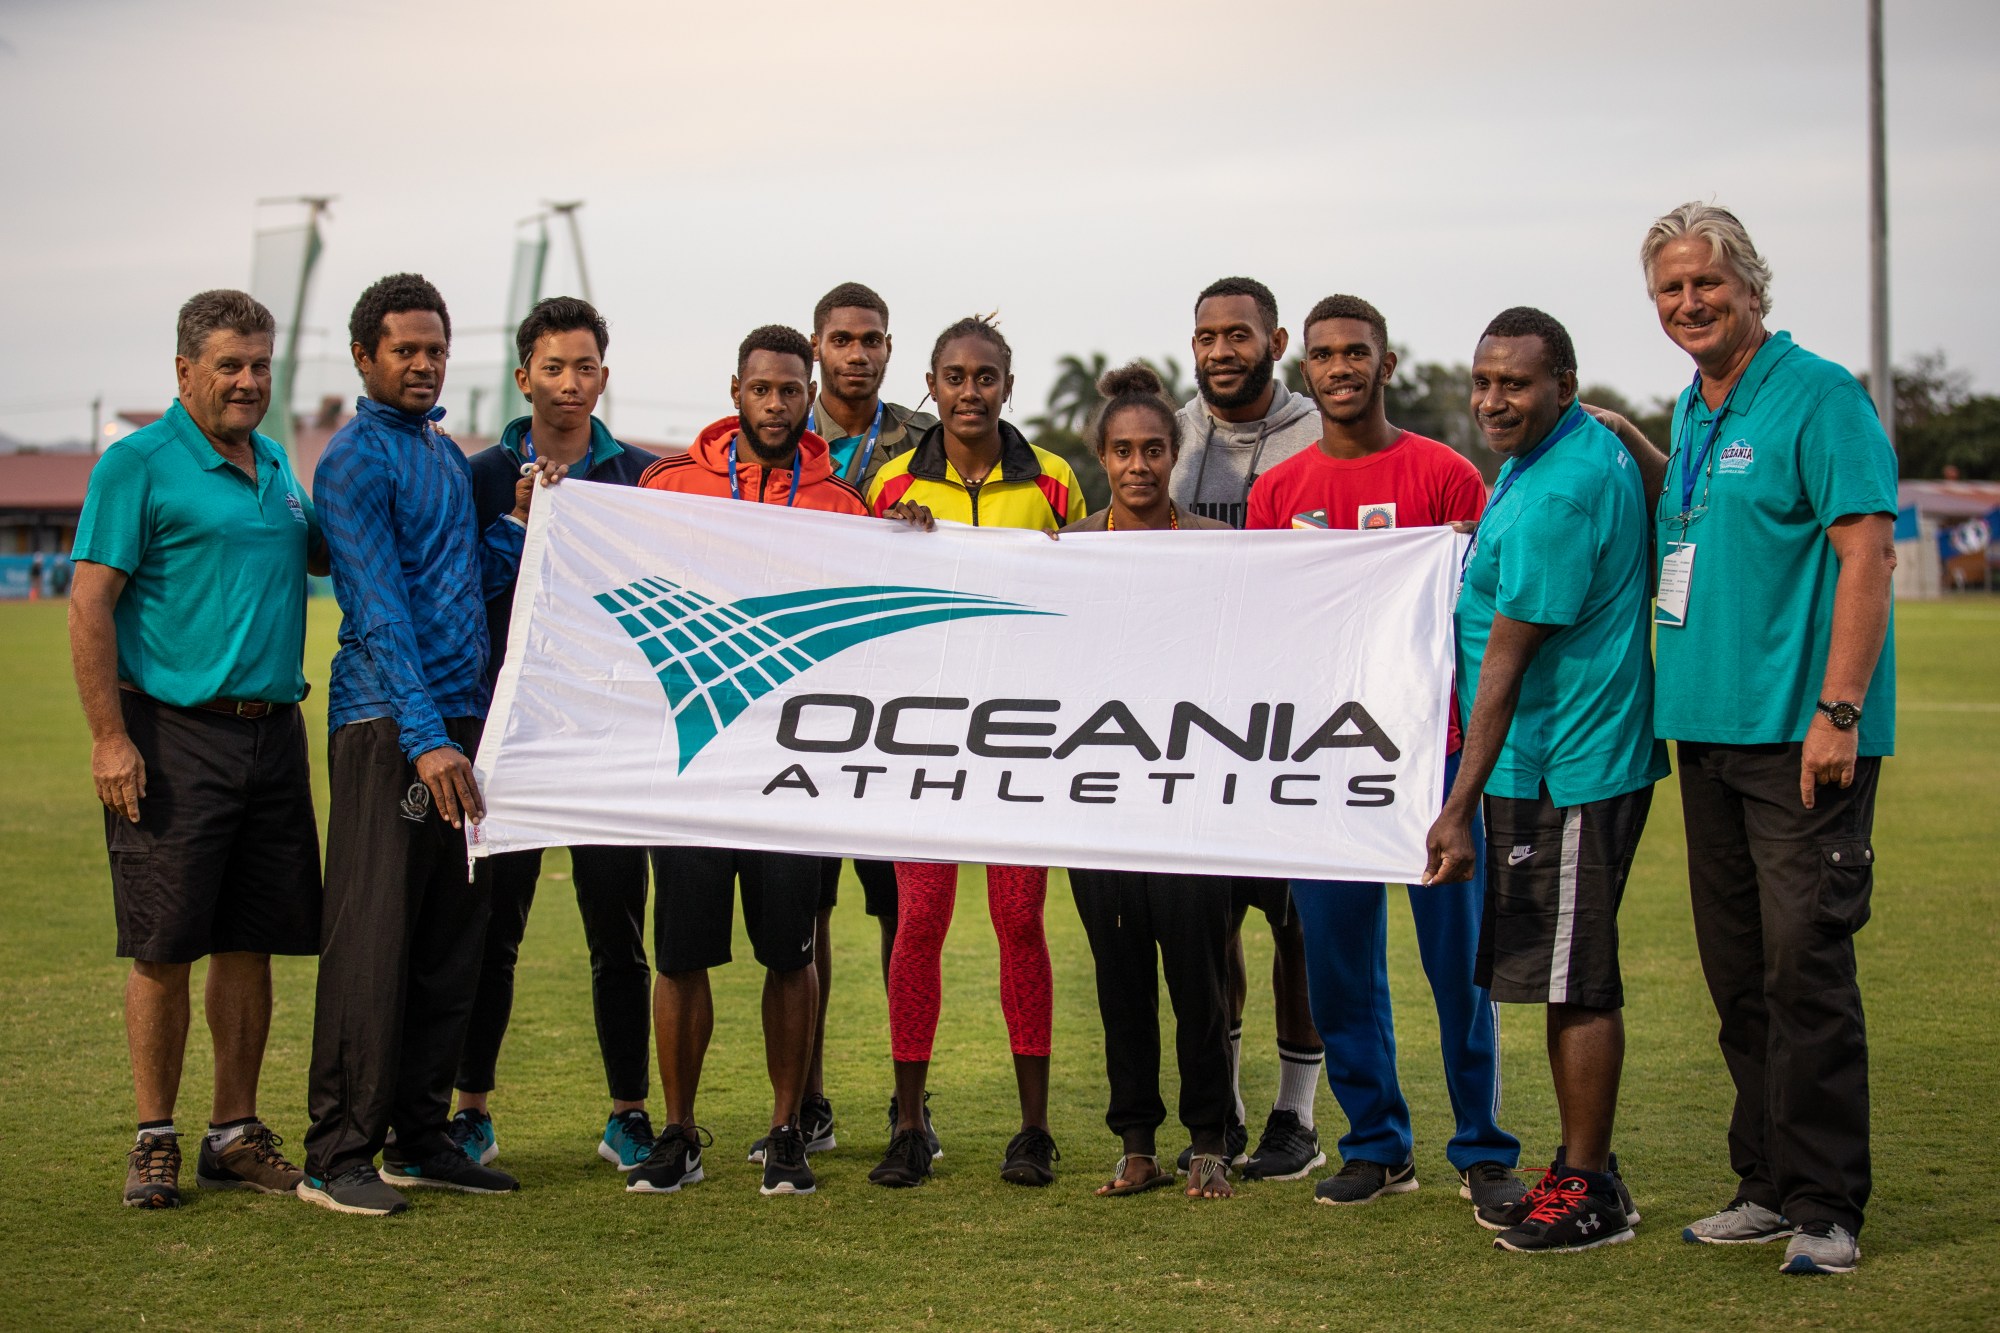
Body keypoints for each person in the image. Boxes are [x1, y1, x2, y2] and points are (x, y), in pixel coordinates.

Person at [1633, 204, 1897, 1277]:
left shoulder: (1820, 395)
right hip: (1704, 734)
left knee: (1804, 968)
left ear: (1750, 283)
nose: (1689, 302)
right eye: (1669, 288)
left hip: (1801, 738)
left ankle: (1827, 1205)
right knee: (1738, 975)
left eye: (1706, 282)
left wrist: (1838, 712)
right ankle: (1765, 1183)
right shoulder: (1695, 407)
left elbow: (1866, 554)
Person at [627, 324, 931, 1199]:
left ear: (809, 394)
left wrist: (904, 536)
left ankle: (788, 1128)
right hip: (693, 761)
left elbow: (876, 620)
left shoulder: (840, 502)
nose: (774, 404)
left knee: (790, 953)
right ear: (736, 390)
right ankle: (679, 1131)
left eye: (789, 390)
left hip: (794, 766)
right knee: (679, 954)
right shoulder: (669, 485)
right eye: (760, 389)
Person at [1246, 295, 1524, 1214]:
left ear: (1386, 363)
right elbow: (1266, 626)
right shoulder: (1277, 493)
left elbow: (1487, 617)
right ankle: (1376, 1142)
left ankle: (1482, 1146)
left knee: (1459, 964)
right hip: (1327, 758)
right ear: (1306, 369)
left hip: (1434, 755)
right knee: (1337, 963)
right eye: (1324, 354)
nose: (1340, 367)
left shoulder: (1447, 476)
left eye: (1356, 352)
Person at [301, 274, 559, 1216]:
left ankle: (419, 1136)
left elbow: (460, 580)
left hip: (462, 726)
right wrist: (421, 738)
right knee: (373, 940)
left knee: (452, 939)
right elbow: (378, 611)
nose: (423, 364)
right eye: (405, 350)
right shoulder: (353, 461)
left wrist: (519, 522)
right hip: (389, 727)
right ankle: (336, 1154)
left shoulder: (444, 454)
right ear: (364, 357)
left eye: (436, 350)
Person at [69, 289, 324, 1209]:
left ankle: (233, 1132)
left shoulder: (276, 464)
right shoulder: (136, 464)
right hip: (171, 735)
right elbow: (89, 602)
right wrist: (109, 738)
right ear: (184, 371)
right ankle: (154, 1137)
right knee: (165, 945)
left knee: (251, 941)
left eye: (260, 364)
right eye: (230, 365)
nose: (249, 380)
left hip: (273, 734)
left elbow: (324, 553)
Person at [1424, 306, 1667, 1255]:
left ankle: (1590, 1185)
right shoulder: (1569, 450)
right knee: (1568, 973)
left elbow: (1507, 661)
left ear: (1563, 384)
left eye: (1515, 384)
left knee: (1577, 980)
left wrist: (1457, 807)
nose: (1493, 401)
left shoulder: (1558, 491)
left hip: (1564, 765)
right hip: (1571, 757)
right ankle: (1585, 1166)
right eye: (1483, 382)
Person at [864, 315, 1086, 1189]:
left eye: (985, 376)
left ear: (1007, 385)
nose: (969, 391)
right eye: (954, 377)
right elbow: (862, 603)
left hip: (1022, 740)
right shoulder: (890, 484)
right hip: (922, 736)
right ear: (930, 384)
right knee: (918, 922)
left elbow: (1098, 589)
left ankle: (1033, 1130)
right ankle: (909, 1125)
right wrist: (895, 540)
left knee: (1019, 922)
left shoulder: (1055, 479)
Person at [451, 297, 660, 1174]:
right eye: (553, 367)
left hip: (610, 736)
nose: (569, 383)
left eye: (584, 367)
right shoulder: (477, 477)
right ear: (523, 375)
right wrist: (519, 522)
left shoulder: (643, 476)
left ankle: (629, 1114)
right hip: (512, 734)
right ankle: (470, 1112)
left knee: (618, 931)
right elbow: (458, 595)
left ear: (603, 377)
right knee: (492, 932)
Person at [1060, 363, 1238, 1201]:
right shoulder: (1065, 552)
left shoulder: (1217, 546)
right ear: (1102, 456)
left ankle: (1209, 1140)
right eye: (1123, 450)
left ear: (1176, 452)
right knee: (1118, 972)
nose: (1139, 465)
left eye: (1154, 449)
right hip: (1096, 798)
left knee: (1199, 974)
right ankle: (1135, 1143)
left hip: (1190, 794)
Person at [1168, 276, 1327, 1176]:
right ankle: (1223, 1104)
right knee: (1211, 922)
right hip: (1198, 720)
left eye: (1239, 334)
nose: (1221, 350)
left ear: (1275, 341)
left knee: (1297, 925)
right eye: (1207, 336)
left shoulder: (1317, 431)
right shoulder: (1172, 435)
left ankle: (1295, 1115)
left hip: (1298, 716)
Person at [796, 281, 940, 1166]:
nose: (857, 353)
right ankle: (808, 1100)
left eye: (872, 339)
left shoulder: (925, 441)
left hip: (898, 711)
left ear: (890, 348)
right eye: (843, 339)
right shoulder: (779, 433)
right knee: (806, 916)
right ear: (817, 345)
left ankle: (908, 1102)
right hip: (805, 709)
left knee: (902, 916)